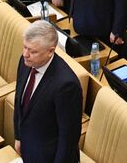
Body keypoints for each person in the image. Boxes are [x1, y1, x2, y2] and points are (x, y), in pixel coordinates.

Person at [13, 19, 83, 163]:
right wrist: (18, 136)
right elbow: (19, 100)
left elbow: (68, 137)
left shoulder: (66, 85)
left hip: (49, 156)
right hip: (28, 147)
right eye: (25, 47)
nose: (25, 54)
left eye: (32, 51)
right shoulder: (26, 62)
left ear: (50, 51)